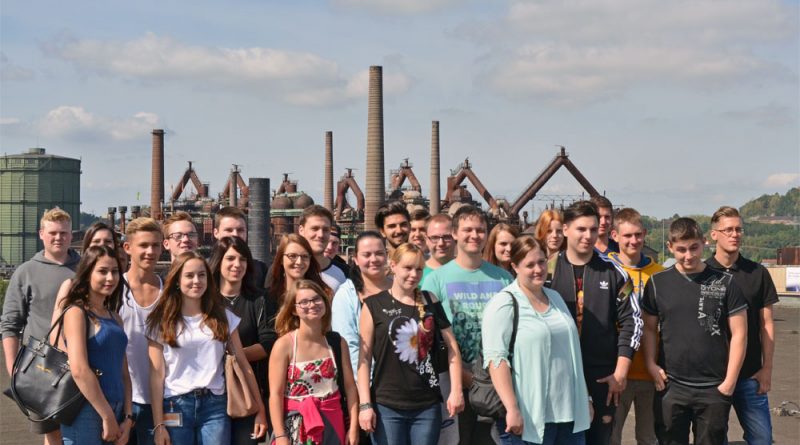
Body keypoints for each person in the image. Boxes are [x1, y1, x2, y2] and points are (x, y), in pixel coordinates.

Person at [642, 217, 747, 445]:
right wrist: (651, 364)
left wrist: (729, 382)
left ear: (704, 242)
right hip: (671, 385)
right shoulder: (657, 283)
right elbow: (649, 329)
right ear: (669, 247)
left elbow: (740, 334)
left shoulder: (725, 282)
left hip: (713, 388)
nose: (688, 256)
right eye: (680, 250)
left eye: (693, 248)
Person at [147, 252, 267, 445]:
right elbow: (155, 375)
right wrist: (158, 425)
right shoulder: (161, 321)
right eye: (189, 275)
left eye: (202, 275)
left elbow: (244, 366)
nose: (197, 281)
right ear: (177, 279)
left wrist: (260, 410)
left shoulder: (223, 317)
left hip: (215, 406)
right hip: (175, 404)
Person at [547, 200, 640, 445]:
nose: (587, 235)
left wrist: (620, 373)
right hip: (556, 376)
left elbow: (632, 322)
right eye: (580, 229)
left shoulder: (615, 272)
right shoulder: (545, 271)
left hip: (602, 377)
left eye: (592, 229)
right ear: (565, 229)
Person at [483, 235, 591, 445]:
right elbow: (496, 360)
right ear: (514, 266)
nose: (538, 269)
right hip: (532, 418)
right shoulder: (504, 303)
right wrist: (512, 408)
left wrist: (586, 398)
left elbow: (572, 356)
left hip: (570, 416)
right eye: (529, 265)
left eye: (541, 262)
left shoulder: (555, 297)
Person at [422, 205, 514, 445]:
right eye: (468, 230)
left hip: (495, 381)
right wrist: (463, 377)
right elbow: (432, 340)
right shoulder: (436, 280)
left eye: (481, 230)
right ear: (454, 233)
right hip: (455, 383)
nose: (475, 235)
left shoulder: (503, 278)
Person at [357, 243, 464, 445]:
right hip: (387, 404)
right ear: (393, 265)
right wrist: (365, 405)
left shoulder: (429, 301)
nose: (414, 274)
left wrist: (456, 390)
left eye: (419, 269)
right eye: (408, 267)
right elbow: (364, 358)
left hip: (426, 404)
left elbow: (452, 348)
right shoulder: (373, 305)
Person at [1, 207, 80, 445]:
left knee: (81, 430)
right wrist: (13, 369)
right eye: (53, 233)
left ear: (71, 235)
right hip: (42, 368)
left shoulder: (85, 269)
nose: (59, 238)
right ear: (41, 234)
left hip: (82, 363)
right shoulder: (26, 272)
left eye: (64, 233)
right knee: (52, 433)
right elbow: (10, 324)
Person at [706, 206, 778, 445]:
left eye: (738, 229)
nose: (734, 234)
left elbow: (766, 324)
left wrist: (766, 369)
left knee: (762, 439)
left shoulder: (757, 273)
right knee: (715, 439)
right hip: (712, 377)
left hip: (750, 375)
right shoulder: (702, 273)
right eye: (728, 229)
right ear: (714, 234)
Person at [55, 245, 133, 445]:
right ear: (88, 273)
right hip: (86, 409)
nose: (110, 278)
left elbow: (124, 372)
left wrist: (128, 417)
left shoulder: (115, 317)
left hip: (117, 409)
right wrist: (107, 416)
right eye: (102, 271)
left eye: (115, 271)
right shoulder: (77, 312)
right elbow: (79, 369)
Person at [268, 279, 359, 445]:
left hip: (333, 420)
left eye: (317, 299)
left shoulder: (337, 342)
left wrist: (353, 428)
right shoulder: (284, 345)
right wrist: (280, 435)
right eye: (303, 302)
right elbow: (275, 394)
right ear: (294, 310)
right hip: (295, 426)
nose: (312, 304)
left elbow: (350, 387)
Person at [209, 236, 278, 444]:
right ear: (218, 261)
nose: (237, 265)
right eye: (230, 258)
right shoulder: (207, 301)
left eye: (243, 259)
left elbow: (269, 344)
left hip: (247, 392)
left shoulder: (259, 299)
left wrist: (232, 357)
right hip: (212, 398)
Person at [607, 209, 663, 445]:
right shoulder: (605, 270)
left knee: (649, 437)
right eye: (627, 235)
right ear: (615, 235)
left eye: (638, 235)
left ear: (645, 234)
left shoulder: (659, 274)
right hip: (618, 370)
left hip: (651, 371)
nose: (633, 241)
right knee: (611, 436)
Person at [118, 217, 164, 445]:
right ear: (128, 248)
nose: (150, 251)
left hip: (161, 399)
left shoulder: (169, 293)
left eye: (155, 245)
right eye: (143, 245)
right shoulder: (114, 291)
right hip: (121, 398)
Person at [331, 231, 392, 380]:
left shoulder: (400, 287)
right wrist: (364, 388)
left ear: (387, 255)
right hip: (368, 383)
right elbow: (349, 346)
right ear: (356, 259)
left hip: (405, 382)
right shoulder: (346, 295)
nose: (374, 259)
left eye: (379, 253)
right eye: (367, 254)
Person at [265, 234, 330, 309]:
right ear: (281, 260)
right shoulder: (268, 298)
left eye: (304, 256)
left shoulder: (322, 295)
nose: (299, 262)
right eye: (292, 256)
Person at [213, 206, 269, 290]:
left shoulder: (260, 271)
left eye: (240, 230)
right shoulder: (205, 269)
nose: (235, 235)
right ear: (216, 233)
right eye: (229, 230)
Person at [297, 205, 348, 293]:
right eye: (314, 228)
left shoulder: (344, 272)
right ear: (301, 230)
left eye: (325, 230)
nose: (320, 235)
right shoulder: (285, 269)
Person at [421, 213, 455, 285]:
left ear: (455, 236)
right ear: (426, 239)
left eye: (446, 237)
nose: (441, 243)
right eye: (435, 238)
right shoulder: (416, 273)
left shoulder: (468, 271)